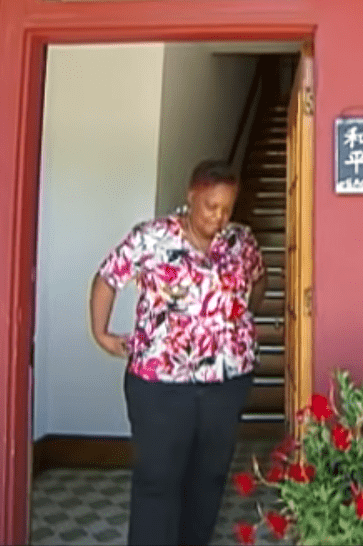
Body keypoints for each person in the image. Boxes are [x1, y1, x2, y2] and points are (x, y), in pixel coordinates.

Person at [88, 159, 266, 546]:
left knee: (210, 477)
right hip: (160, 384)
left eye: (226, 209)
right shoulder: (150, 238)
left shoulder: (241, 240)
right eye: (210, 206)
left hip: (226, 380)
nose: (218, 218)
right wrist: (101, 333)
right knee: (158, 478)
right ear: (191, 196)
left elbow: (258, 279)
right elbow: (107, 278)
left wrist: (240, 322)